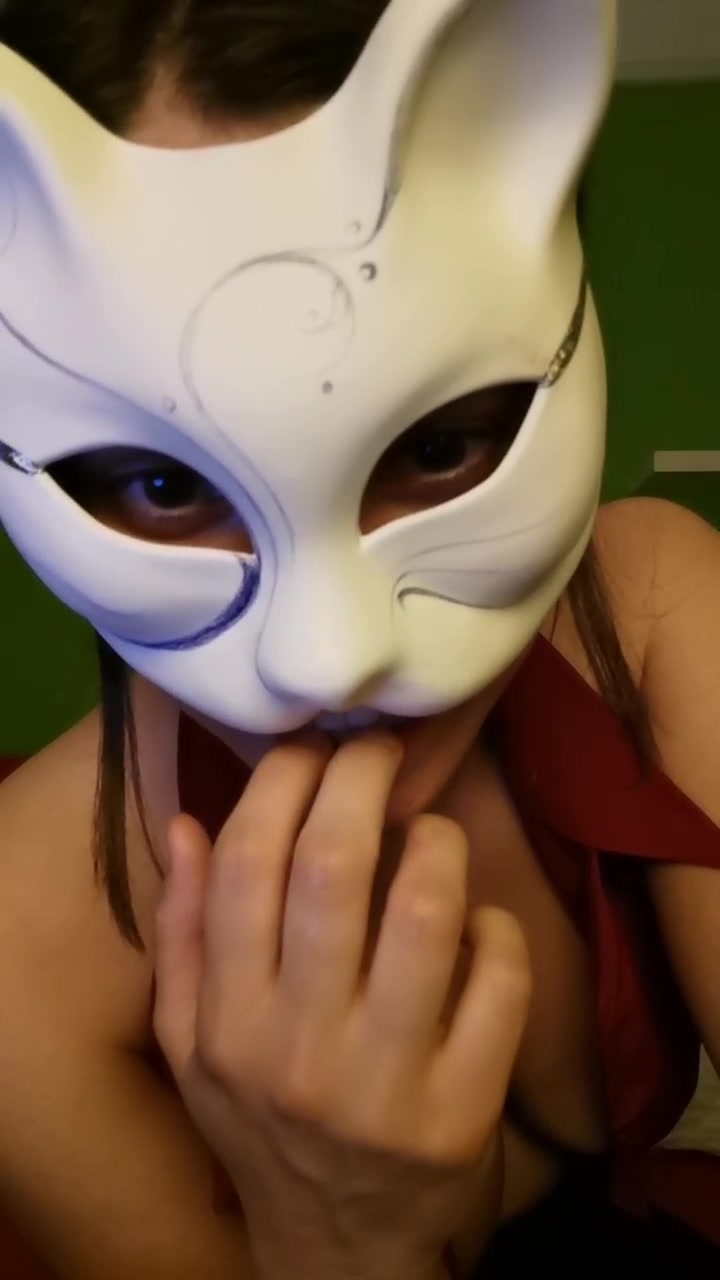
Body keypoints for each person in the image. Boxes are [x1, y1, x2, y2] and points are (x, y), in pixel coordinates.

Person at [0, 0, 718, 1276]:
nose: (329, 658)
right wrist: (337, 1239)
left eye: (437, 447)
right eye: (163, 486)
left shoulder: (653, 603)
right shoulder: (20, 945)